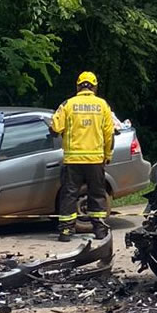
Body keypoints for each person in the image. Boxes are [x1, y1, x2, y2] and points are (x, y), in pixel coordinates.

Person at [50, 71, 115, 242]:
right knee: (97, 193)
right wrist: (107, 155)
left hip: (73, 160)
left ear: (78, 86)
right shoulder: (102, 105)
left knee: (70, 194)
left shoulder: (68, 104)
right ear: (94, 87)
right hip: (95, 160)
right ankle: (99, 230)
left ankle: (66, 232)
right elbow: (109, 135)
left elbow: (55, 127)